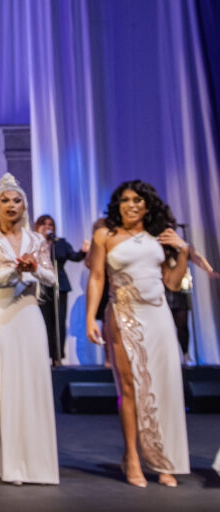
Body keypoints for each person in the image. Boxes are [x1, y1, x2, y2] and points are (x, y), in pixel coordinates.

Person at [86, 180, 190, 487]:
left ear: (147, 205)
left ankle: (164, 460)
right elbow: (97, 277)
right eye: (125, 200)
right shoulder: (105, 235)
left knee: (164, 387)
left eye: (137, 200)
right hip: (123, 315)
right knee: (130, 387)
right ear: (117, 205)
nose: (131, 205)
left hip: (159, 317)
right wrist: (90, 317)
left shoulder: (158, 236)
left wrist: (183, 250)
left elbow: (172, 283)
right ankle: (132, 457)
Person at [0, 173, 59, 485]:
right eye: (5, 201)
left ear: (25, 205)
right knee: (5, 387)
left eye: (16, 200)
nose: (11, 205)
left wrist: (33, 269)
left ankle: (35, 462)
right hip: (0, 315)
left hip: (29, 315)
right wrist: (12, 272)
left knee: (33, 387)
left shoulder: (37, 241)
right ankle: (9, 463)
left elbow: (51, 278)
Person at [33, 214, 89, 365]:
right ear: (37, 227)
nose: (47, 227)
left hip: (59, 286)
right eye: (43, 224)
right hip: (41, 287)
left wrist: (83, 251)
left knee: (59, 321)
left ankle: (58, 357)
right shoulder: (32, 244)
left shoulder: (60, 243)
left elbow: (75, 256)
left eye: (50, 224)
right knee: (45, 322)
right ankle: (45, 357)